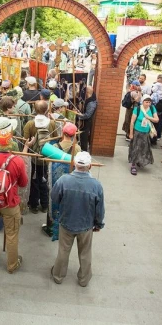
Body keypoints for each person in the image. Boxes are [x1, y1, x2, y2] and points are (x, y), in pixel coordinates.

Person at [50, 152, 104, 287]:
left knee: (63, 251)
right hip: (86, 226)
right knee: (85, 253)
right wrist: (98, 224)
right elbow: (100, 209)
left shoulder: (63, 180)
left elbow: (54, 198)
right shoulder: (96, 185)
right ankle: (84, 279)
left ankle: (58, 276)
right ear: (90, 166)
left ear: (74, 164)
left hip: (66, 222)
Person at [0, 129, 31, 273]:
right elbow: (23, 183)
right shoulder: (17, 161)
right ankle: (12, 265)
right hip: (10, 202)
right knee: (12, 234)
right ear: (11, 143)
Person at [24, 101, 58, 213]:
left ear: (34, 109)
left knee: (34, 180)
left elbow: (26, 140)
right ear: (46, 110)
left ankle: (33, 205)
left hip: (33, 156)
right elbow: (55, 139)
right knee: (44, 180)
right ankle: (44, 205)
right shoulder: (52, 123)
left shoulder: (30, 123)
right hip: (47, 157)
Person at [128, 94, 158, 176]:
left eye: (149, 102)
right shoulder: (137, 109)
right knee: (136, 148)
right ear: (143, 102)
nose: (148, 104)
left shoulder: (152, 108)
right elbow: (132, 122)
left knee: (144, 148)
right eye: (146, 102)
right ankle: (133, 165)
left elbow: (156, 120)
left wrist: (149, 117)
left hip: (146, 132)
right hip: (137, 131)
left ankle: (140, 161)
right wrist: (131, 133)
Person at [77, 86, 97, 152]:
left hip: (87, 123)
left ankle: (84, 152)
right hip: (84, 123)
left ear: (87, 92)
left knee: (84, 138)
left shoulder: (91, 103)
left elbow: (87, 115)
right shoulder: (89, 99)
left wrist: (78, 116)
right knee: (82, 137)